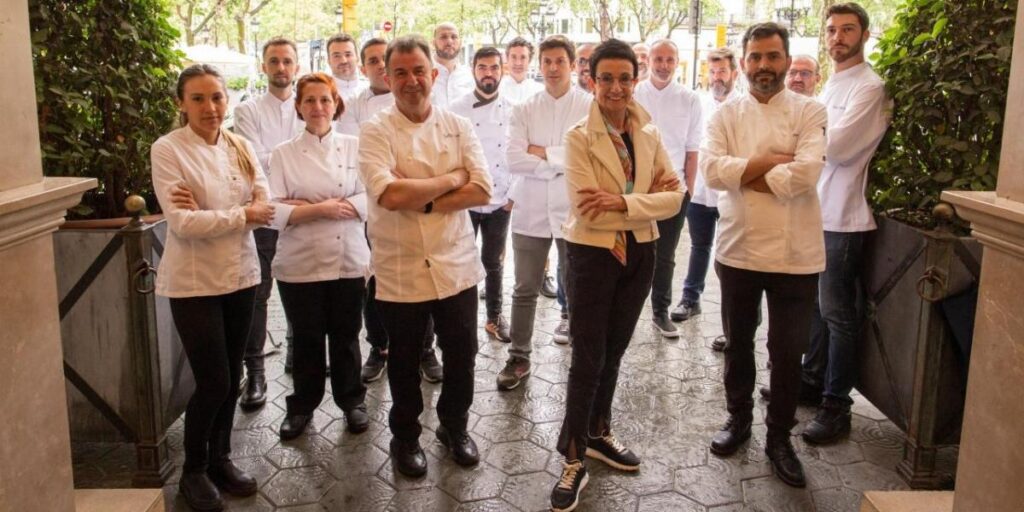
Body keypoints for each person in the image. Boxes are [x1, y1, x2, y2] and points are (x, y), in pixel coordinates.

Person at [549, 39, 684, 512]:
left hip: (640, 255)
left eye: (625, 78)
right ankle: (572, 457)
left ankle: (599, 432)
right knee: (587, 357)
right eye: (606, 78)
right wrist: (645, 201)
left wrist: (623, 202)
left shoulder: (648, 132)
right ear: (592, 79)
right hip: (591, 256)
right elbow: (587, 212)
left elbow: (676, 197)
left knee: (615, 351)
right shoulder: (576, 138)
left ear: (636, 78)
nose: (615, 87)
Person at [358, 35, 492, 478]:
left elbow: (483, 188)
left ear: (434, 74)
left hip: (455, 265)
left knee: (463, 353)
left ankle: (454, 427)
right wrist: (451, 177)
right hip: (400, 268)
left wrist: (426, 196)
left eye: (419, 71)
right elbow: (390, 194)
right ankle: (406, 436)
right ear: (387, 77)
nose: (411, 81)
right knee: (403, 359)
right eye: (400, 72)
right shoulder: (376, 130)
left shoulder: (458, 126)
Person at [702, 22, 827, 489]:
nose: (763, 67)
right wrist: (776, 162)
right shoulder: (724, 115)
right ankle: (738, 419)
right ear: (744, 61)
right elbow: (713, 171)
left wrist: (745, 173)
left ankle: (780, 438)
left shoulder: (811, 109)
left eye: (772, 57)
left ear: (786, 59)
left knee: (787, 351)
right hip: (739, 247)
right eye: (755, 57)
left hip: (796, 253)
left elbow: (807, 174)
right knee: (737, 344)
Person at [152, 64, 271, 511]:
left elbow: (266, 198)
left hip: (240, 274)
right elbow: (182, 223)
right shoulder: (168, 149)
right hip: (194, 281)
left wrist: (218, 211)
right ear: (181, 103)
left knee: (234, 373)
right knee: (214, 379)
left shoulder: (240, 144)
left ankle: (221, 459)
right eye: (198, 99)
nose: (210, 107)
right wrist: (242, 214)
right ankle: (193, 470)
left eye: (217, 97)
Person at [799, 2, 892, 445]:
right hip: (817, 212)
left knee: (839, 315)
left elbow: (833, 147)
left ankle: (837, 405)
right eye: (832, 30)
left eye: (847, 29)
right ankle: (811, 381)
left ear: (865, 35)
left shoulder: (870, 88)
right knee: (817, 310)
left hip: (844, 217)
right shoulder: (833, 84)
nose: (838, 37)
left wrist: (803, 139)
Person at [334, 37, 444, 385]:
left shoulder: (425, 100)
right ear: (364, 67)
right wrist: (401, 180)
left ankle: (426, 350)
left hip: (427, 216)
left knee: (425, 280)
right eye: (373, 61)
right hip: (374, 211)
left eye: (385, 60)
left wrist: (408, 181)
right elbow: (362, 160)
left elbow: (428, 166)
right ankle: (378, 347)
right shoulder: (353, 106)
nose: (380, 66)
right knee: (375, 282)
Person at [267, 72, 371, 440]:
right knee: (307, 338)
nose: (318, 108)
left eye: (325, 100)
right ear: (298, 106)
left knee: (346, 335)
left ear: (336, 103)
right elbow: (274, 210)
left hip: (348, 257)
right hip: (300, 261)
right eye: (309, 101)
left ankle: (352, 401)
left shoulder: (356, 146)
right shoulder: (283, 154)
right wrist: (325, 208)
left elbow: (371, 197)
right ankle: (302, 406)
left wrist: (308, 207)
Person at [499, 35, 591, 391]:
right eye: (547, 61)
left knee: (579, 288)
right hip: (531, 208)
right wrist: (560, 160)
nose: (553, 68)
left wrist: (543, 154)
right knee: (524, 288)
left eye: (560, 61)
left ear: (572, 65)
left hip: (575, 210)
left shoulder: (588, 106)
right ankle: (519, 356)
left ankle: (584, 359)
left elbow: (589, 157)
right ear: (540, 65)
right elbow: (513, 159)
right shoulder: (525, 108)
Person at [232, 37, 304, 406]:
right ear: (263, 66)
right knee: (258, 294)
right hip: (263, 211)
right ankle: (255, 371)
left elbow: (309, 156)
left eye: (287, 61)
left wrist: (291, 164)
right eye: (274, 61)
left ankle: (296, 352)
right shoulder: (247, 110)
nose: (280, 68)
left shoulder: (307, 106)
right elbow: (252, 160)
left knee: (300, 284)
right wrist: (295, 162)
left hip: (301, 213)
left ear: (297, 66)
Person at [633, 39, 703, 339]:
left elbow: (692, 150)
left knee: (665, 254)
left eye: (669, 60)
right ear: (648, 60)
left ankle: (660, 311)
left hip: (672, 189)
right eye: (658, 59)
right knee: (632, 252)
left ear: (677, 62)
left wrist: (688, 190)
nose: (663, 65)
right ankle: (628, 309)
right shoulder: (634, 93)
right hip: (635, 187)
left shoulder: (689, 99)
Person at [673, 48, 739, 353]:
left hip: (732, 193)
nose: (717, 77)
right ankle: (690, 298)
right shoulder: (697, 102)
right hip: (700, 192)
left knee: (731, 258)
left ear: (734, 72)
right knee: (700, 246)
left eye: (722, 71)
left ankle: (732, 322)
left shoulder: (743, 105)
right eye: (712, 72)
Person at [449, 47, 515, 343]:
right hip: (466, 200)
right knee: (461, 259)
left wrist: (513, 196)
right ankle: (459, 322)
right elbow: (450, 156)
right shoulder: (456, 109)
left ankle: (494, 317)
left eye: (494, 67)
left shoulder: (514, 110)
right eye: (483, 67)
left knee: (494, 261)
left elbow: (516, 155)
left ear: (503, 71)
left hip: (500, 199)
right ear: (473, 69)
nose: (488, 73)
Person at [431, 22, 475, 108]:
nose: (449, 41)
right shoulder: (423, 73)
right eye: (443, 37)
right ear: (433, 42)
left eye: (454, 37)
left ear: (460, 42)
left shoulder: (470, 75)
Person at [499, 37, 544, 105]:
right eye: (513, 57)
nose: (518, 63)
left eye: (523, 57)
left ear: (529, 60)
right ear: (507, 59)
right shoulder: (497, 90)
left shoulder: (540, 91)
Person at [328, 33, 365, 98]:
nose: (343, 61)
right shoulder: (321, 93)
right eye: (337, 56)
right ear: (328, 61)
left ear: (357, 58)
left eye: (348, 54)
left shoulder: (371, 91)